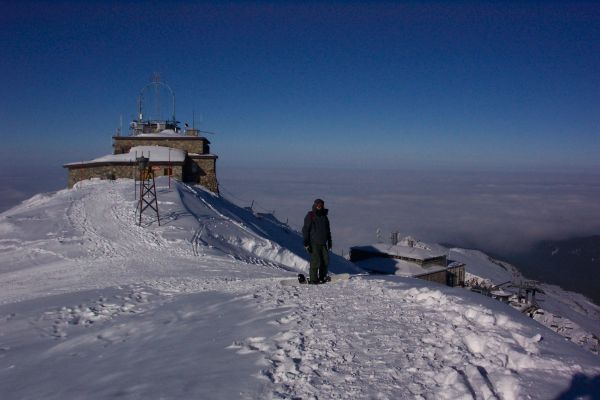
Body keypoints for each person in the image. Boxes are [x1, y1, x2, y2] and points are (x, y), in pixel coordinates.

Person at [302, 198, 332, 284]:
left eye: (321, 205)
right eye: (318, 205)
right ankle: (313, 279)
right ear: (315, 205)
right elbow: (305, 229)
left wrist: (329, 241)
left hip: (323, 243)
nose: (319, 206)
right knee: (316, 260)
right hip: (314, 242)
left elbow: (328, 230)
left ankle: (322, 277)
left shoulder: (324, 217)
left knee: (325, 260)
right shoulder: (310, 215)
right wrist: (306, 242)